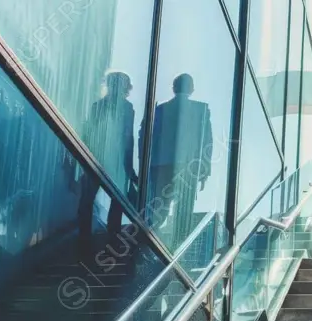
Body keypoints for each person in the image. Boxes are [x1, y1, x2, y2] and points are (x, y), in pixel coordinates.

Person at [141, 73, 213, 248]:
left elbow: (146, 136)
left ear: (173, 88)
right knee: (184, 211)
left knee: (159, 209)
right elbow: (207, 142)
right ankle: (177, 248)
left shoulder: (160, 110)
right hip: (188, 167)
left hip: (161, 166)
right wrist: (204, 170)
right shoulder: (201, 110)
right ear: (191, 89)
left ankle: (148, 244)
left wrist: (146, 167)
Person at [78, 71, 137, 260]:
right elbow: (128, 138)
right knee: (115, 199)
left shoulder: (99, 106)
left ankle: (85, 236)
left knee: (89, 198)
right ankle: (111, 236)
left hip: (98, 158)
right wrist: (129, 166)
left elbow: (88, 131)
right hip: (112, 159)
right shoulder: (127, 108)